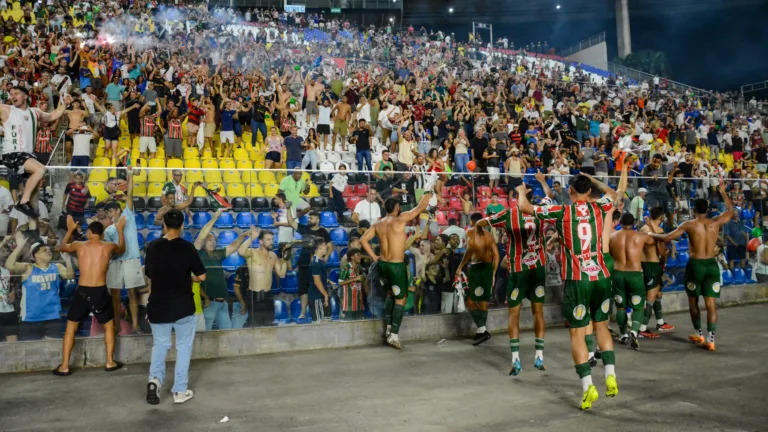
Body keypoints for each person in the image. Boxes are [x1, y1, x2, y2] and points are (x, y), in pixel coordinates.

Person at [516, 165, 627, 410]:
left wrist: (521, 192)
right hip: (601, 275)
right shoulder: (600, 206)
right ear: (588, 190)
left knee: (577, 333)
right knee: (601, 326)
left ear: (570, 190)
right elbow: (614, 193)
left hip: (578, 278)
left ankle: (588, 387)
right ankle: (610, 374)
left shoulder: (562, 212)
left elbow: (524, 208)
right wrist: (593, 181)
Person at [477, 172, 553, 374]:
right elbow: (549, 196)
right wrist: (543, 181)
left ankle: (516, 360)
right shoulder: (541, 210)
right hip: (537, 268)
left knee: (514, 314)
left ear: (517, 196)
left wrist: (479, 228)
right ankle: (539, 356)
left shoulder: (508, 214)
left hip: (518, 269)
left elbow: (483, 222)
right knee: (538, 312)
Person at [646, 182, 734, 352]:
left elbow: (667, 237)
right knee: (711, 303)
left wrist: (651, 233)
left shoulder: (689, 224)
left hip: (696, 265)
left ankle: (699, 334)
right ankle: (711, 339)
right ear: (707, 209)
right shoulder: (715, 222)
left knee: (693, 301)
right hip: (712, 264)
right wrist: (723, 192)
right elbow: (730, 211)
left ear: (694, 210)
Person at [144, 209, 207, 405]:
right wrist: (189, 278)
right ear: (182, 225)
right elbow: (202, 276)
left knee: (160, 345)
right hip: (182, 306)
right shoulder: (187, 248)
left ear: (164, 224)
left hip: (158, 305)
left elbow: (150, 276)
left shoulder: (153, 247)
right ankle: (179, 391)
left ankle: (154, 380)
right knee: (183, 348)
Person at [360, 188, 434, 349]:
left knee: (389, 294)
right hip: (396, 265)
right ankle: (394, 335)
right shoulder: (400, 220)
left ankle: (388, 328)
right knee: (400, 299)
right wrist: (429, 189)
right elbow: (421, 207)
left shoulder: (378, 224)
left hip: (382, 264)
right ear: (397, 208)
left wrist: (374, 257)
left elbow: (363, 240)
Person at [54, 215, 126, 376]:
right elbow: (122, 249)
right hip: (100, 291)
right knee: (108, 327)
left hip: (83, 291)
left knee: (71, 328)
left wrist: (70, 230)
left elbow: (62, 247)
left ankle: (64, 366)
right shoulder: (108, 246)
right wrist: (120, 230)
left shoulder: (79, 245)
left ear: (90, 232)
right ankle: (110, 362)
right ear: (102, 233)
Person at [0, 88, 70, 237]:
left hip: (27, 155)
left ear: (26, 95)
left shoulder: (34, 112)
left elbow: (52, 116)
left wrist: (64, 104)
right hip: (12, 153)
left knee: (35, 195)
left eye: (16, 94)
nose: (13, 96)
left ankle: (33, 230)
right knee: (40, 169)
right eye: (11, 94)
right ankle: (22, 202)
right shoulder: (6, 109)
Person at [5, 233, 74, 341]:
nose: (49, 251)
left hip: (52, 316)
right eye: (44, 250)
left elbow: (70, 276)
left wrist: (68, 260)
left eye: (49, 249)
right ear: (35, 255)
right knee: (31, 350)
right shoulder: (28, 267)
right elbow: (9, 265)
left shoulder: (57, 267)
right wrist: (20, 246)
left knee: (52, 349)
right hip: (30, 317)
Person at [609, 213, 659, 351]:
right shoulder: (641, 236)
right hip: (635, 274)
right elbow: (655, 242)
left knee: (620, 307)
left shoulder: (612, 236)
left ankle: (623, 334)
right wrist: (650, 226)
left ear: (620, 222)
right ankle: (634, 332)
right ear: (634, 223)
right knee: (638, 306)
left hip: (618, 274)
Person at [104, 166, 145, 334]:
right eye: (108, 212)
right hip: (116, 262)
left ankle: (135, 325)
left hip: (131, 259)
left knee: (132, 293)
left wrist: (130, 176)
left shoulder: (128, 215)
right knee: (114, 294)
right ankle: (117, 325)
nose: (110, 214)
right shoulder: (108, 230)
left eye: (112, 210)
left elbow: (130, 195)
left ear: (118, 210)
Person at [193, 209, 250, 331]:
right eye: (209, 240)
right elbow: (202, 235)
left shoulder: (217, 253)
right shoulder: (198, 253)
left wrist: (244, 235)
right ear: (203, 242)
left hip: (222, 303)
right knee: (205, 333)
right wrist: (215, 218)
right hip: (209, 302)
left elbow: (233, 246)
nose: (213, 242)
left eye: (214, 240)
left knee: (227, 332)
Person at [455, 212, 499, 346]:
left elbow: (470, 250)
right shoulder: (489, 235)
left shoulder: (469, 232)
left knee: (470, 300)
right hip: (487, 268)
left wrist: (460, 266)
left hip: (476, 268)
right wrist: (493, 273)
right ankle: (481, 332)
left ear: (472, 221)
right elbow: (496, 255)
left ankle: (482, 329)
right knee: (483, 300)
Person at [236, 227, 290, 327]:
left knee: (269, 327)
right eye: (268, 239)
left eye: (272, 239)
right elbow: (241, 251)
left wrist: (285, 259)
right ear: (261, 241)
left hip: (268, 297)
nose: (271, 242)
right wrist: (252, 238)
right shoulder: (253, 252)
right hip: (255, 297)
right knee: (255, 327)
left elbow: (281, 274)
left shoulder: (273, 255)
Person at [286, 208, 332, 320]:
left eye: (311, 218)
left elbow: (330, 246)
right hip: (304, 263)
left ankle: (319, 313)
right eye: (308, 218)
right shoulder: (305, 228)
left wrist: (326, 256)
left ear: (318, 219)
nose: (309, 220)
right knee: (303, 289)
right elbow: (291, 222)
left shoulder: (323, 232)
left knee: (319, 286)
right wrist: (288, 209)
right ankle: (303, 313)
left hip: (317, 264)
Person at [639, 206, 675, 337]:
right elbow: (661, 250)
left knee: (658, 293)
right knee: (651, 297)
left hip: (643, 264)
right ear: (661, 217)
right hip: (654, 266)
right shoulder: (659, 231)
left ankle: (660, 322)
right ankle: (642, 329)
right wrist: (665, 258)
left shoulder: (643, 228)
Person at [338, 248, 366, 320]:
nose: (360, 257)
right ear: (352, 257)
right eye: (358, 255)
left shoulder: (359, 268)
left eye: (360, 255)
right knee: (349, 324)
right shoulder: (346, 268)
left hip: (359, 304)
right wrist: (354, 279)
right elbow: (340, 282)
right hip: (349, 305)